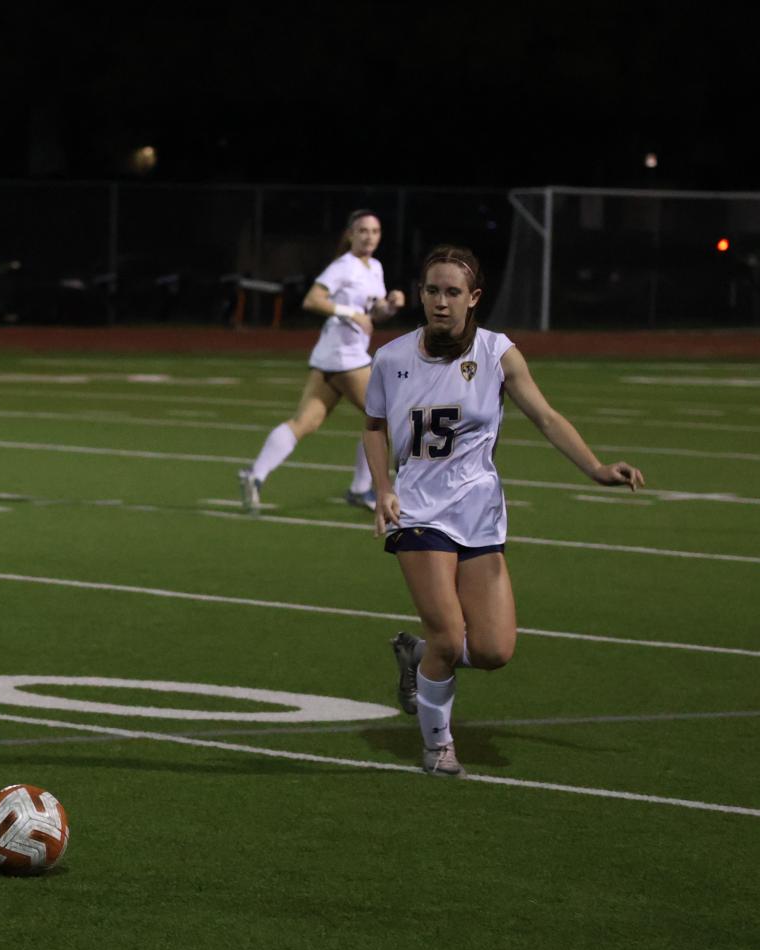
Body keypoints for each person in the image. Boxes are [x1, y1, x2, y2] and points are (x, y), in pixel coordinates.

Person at [363, 245, 643, 777]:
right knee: (450, 636)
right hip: (420, 512)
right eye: (431, 291)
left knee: (492, 650)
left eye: (452, 292)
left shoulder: (497, 353)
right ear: (420, 294)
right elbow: (374, 427)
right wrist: (383, 488)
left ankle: (419, 657)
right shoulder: (392, 357)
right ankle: (438, 744)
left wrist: (595, 467)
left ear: (474, 298)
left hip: (479, 515)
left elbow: (545, 415)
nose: (440, 302)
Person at [241, 209, 405, 513]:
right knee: (385, 416)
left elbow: (374, 313)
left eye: (375, 231)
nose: (369, 236)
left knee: (305, 422)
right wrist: (350, 313)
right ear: (350, 234)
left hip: (332, 356)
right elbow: (312, 300)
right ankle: (360, 489)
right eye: (363, 231)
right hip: (345, 357)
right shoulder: (343, 266)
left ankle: (255, 475)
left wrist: (391, 306)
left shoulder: (375, 268)